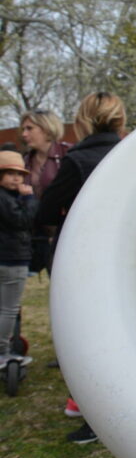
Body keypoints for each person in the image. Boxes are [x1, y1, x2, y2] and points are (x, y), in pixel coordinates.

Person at [37, 91, 127, 445]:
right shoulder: (132, 153)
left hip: (83, 260)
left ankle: (96, 418)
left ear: (83, 120)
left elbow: (45, 212)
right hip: (127, 254)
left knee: (91, 340)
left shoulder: (76, 161)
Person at [19, 109, 70, 274]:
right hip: (38, 236)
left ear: (46, 128)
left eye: (29, 128)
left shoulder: (67, 154)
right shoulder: (24, 161)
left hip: (65, 233)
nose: (24, 134)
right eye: (23, 129)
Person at [0, 152, 37, 369]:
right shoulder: (7, 199)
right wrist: (29, 199)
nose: (16, 179)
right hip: (11, 259)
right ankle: (3, 352)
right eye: (10, 174)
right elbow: (22, 221)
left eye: (19, 174)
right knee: (8, 309)